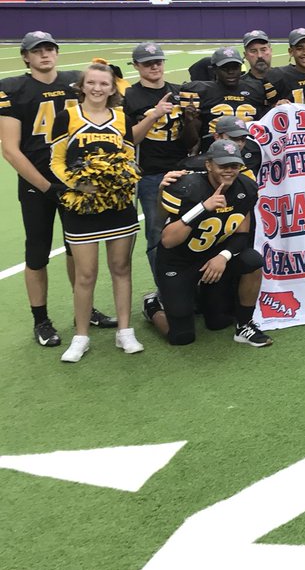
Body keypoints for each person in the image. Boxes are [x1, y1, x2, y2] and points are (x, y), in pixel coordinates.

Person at [0, 31, 115, 348]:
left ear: (57, 52)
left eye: (50, 48)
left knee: (78, 249)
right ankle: (41, 320)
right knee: (37, 252)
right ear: (26, 56)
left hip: (76, 181)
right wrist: (48, 187)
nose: (44, 54)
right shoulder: (14, 89)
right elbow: (10, 149)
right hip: (38, 184)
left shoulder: (75, 82)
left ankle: (86, 309)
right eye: (37, 50)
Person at [49, 63, 142, 362]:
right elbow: (56, 161)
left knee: (121, 268)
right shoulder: (67, 117)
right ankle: (81, 336)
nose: (98, 88)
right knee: (85, 274)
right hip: (82, 205)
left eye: (104, 84)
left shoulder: (122, 119)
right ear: (82, 85)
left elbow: (128, 157)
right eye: (92, 83)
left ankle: (125, 332)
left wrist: (119, 180)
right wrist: (79, 184)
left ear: (113, 88)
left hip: (118, 205)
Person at [147, 140, 271, 348]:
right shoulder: (187, 187)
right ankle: (152, 306)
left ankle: (244, 325)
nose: (229, 171)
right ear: (209, 165)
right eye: (223, 165)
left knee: (251, 262)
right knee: (181, 337)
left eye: (234, 165)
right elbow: (168, 241)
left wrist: (223, 256)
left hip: (213, 258)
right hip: (179, 262)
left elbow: (242, 234)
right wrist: (203, 208)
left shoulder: (246, 187)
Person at [124, 42, 195, 315]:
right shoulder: (130, 96)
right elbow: (128, 140)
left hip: (182, 170)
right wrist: (153, 114)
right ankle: (165, 291)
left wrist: (190, 120)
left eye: (158, 61)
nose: (154, 66)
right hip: (151, 175)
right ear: (137, 67)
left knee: (188, 231)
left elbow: (189, 140)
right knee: (157, 237)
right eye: (147, 63)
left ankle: (188, 287)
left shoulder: (179, 91)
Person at [180, 45, 273, 146]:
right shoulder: (200, 91)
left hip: (250, 150)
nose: (231, 72)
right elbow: (190, 142)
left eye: (235, 67)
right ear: (214, 69)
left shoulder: (258, 88)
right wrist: (189, 121)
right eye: (225, 68)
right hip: (215, 152)